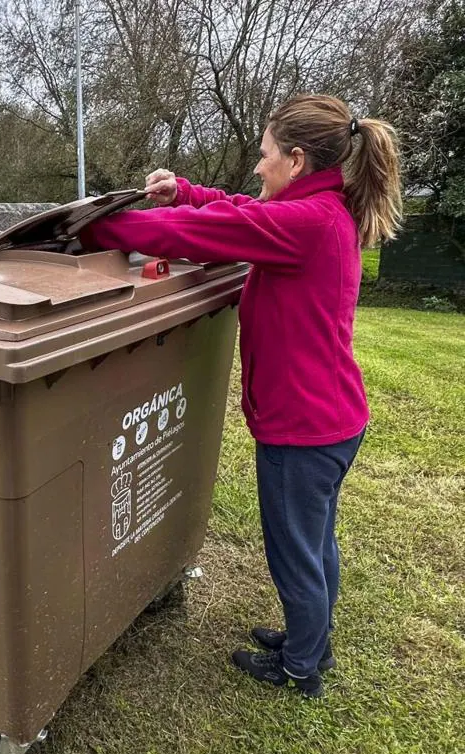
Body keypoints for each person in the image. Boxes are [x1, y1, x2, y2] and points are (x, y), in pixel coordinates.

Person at [83, 94, 403, 698]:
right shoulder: (322, 209)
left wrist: (92, 227)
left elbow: (201, 233)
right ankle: (314, 642)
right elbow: (235, 210)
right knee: (316, 543)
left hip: (303, 427)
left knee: (295, 555)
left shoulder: (306, 223)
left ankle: (301, 668)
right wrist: (184, 189)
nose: (258, 166)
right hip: (331, 417)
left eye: (265, 155)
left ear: (297, 159)